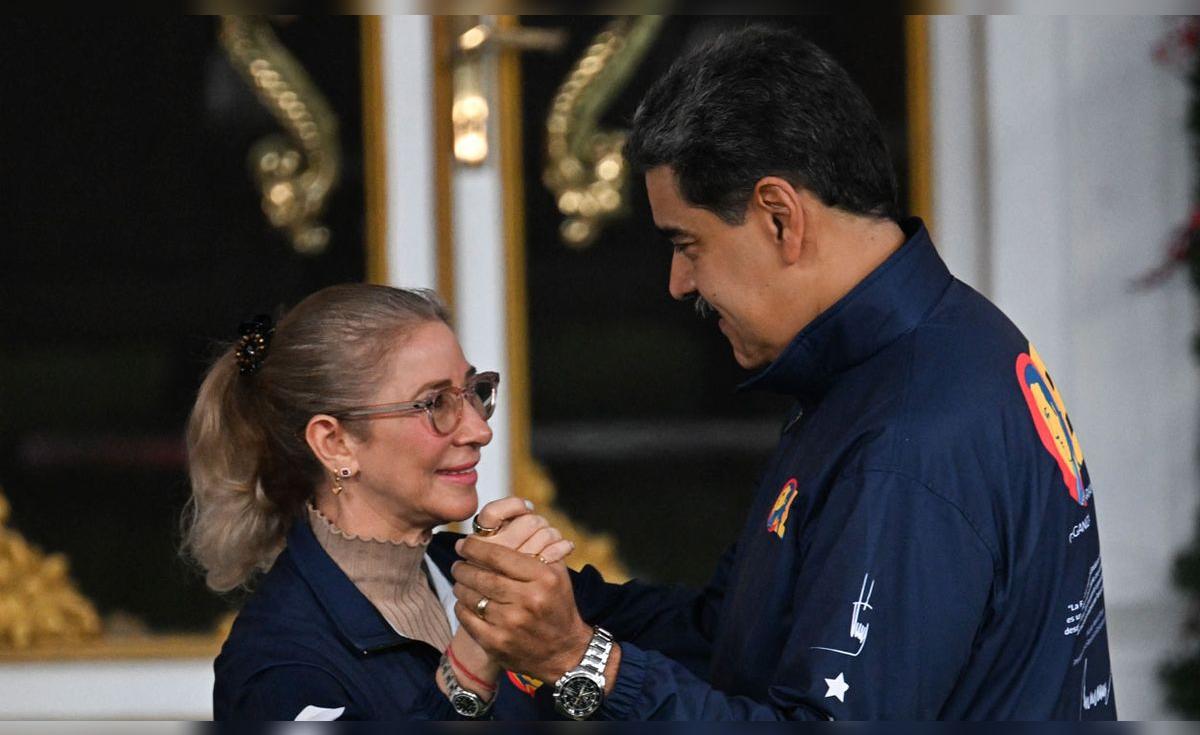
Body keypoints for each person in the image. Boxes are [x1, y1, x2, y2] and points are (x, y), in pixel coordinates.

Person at [450, 27, 1117, 720]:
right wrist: (544, 598)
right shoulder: (926, 348)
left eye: (688, 243)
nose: (679, 282)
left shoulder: (905, 442)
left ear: (779, 217)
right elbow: (735, 636)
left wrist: (581, 661)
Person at [182, 283, 572, 720]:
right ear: (336, 444)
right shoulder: (279, 666)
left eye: (471, 393)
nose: (479, 431)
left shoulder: (461, 571)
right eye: (434, 403)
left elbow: (658, 631)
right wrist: (471, 660)